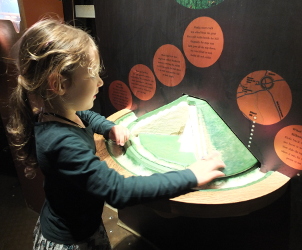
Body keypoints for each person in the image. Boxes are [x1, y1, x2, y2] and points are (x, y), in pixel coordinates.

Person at [7, 18, 226, 250]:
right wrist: (190, 175)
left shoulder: (55, 111)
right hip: (71, 240)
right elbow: (118, 190)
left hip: (82, 221)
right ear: (58, 84)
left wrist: (108, 127)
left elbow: (84, 116)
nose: (100, 82)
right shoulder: (62, 143)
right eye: (92, 74)